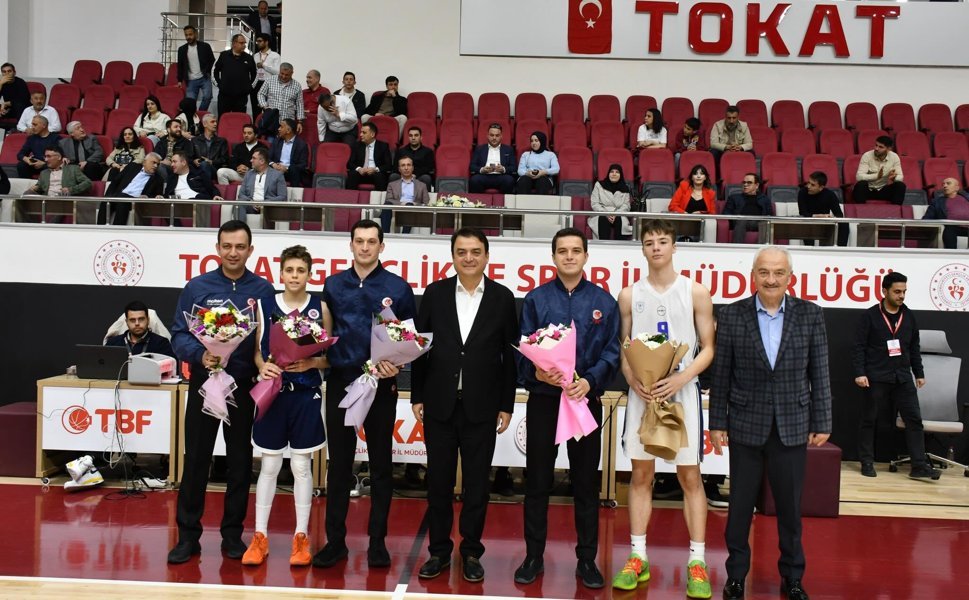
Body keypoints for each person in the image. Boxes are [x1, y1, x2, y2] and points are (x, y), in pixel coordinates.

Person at [710, 246, 832, 600]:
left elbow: (820, 372)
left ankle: (793, 578)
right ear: (753, 275)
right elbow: (722, 374)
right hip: (746, 424)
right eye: (764, 272)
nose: (771, 279)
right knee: (739, 508)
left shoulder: (811, 315)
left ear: (790, 277)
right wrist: (718, 421)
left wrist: (823, 419)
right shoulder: (732, 315)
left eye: (779, 272)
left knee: (791, 510)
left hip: (792, 425)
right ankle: (735, 577)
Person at [612, 218, 715, 597]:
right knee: (641, 477)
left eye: (662, 241)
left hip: (682, 393)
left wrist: (681, 378)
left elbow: (709, 348)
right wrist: (632, 378)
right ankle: (637, 556)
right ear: (642, 249)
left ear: (674, 248)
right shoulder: (628, 295)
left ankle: (697, 561)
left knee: (690, 478)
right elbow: (624, 347)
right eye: (649, 242)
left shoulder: (695, 292)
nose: (656, 247)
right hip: (643, 395)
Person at [411, 227, 519, 583]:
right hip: (439, 403)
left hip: (483, 407)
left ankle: (471, 552)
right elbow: (419, 347)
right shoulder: (435, 293)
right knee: (438, 484)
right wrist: (417, 395)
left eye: (475, 251)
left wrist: (506, 404)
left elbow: (510, 356)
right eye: (462, 251)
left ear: (487, 256)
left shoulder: (503, 298)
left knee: (476, 485)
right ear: (453, 256)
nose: (469, 257)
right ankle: (439, 552)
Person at [515, 227, 620, 589]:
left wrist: (590, 381)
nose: (570, 256)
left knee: (586, 484)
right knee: (538, 482)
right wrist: (538, 374)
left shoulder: (604, 302)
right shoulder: (536, 299)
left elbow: (612, 351)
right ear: (554, 256)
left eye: (576, 250)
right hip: (544, 401)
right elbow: (524, 346)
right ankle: (533, 556)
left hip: (583, 401)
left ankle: (587, 560)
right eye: (563, 251)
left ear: (586, 256)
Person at [167, 220, 275, 564]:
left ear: (250, 250)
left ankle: (232, 535)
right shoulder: (197, 287)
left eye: (239, 247)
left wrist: (265, 362)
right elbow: (178, 334)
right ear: (217, 248)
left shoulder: (262, 290)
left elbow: (269, 340)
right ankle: (188, 536)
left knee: (240, 462)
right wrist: (201, 354)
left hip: (243, 386)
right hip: (204, 384)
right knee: (196, 459)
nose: (233, 252)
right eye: (226, 246)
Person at [313, 219, 417, 570]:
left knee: (381, 464)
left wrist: (397, 365)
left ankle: (377, 543)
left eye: (372, 242)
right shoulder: (332, 285)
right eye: (359, 241)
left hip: (381, 383)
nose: (365, 247)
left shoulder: (398, 288)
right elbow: (325, 335)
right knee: (339, 465)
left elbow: (409, 340)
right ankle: (335, 542)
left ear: (382, 246)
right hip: (342, 382)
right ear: (351, 244)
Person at [242, 245, 328, 567]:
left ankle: (301, 537)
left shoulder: (320, 306)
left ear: (309, 274)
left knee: (302, 467)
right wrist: (262, 365)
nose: (294, 276)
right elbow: (255, 349)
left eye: (300, 271)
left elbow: (327, 354)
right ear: (281, 273)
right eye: (289, 270)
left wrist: (312, 364)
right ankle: (260, 536)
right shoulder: (266, 304)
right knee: (269, 466)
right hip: (273, 392)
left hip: (305, 395)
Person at [852, 272, 940, 481]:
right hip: (875, 376)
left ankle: (918, 465)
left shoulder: (908, 316)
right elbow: (858, 348)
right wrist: (860, 373)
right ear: (884, 291)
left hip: (902, 376)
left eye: (904, 292)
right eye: (897, 291)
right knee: (869, 420)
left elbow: (914, 347)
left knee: (914, 420)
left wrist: (919, 373)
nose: (901, 296)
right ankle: (866, 461)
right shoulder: (870, 316)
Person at [100, 152, 164, 225]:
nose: (155, 166)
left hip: (135, 201)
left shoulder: (158, 179)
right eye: (153, 163)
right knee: (105, 201)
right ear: (144, 162)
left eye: (158, 164)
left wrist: (147, 197)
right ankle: (99, 229)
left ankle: (118, 231)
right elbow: (115, 181)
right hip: (119, 195)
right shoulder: (132, 167)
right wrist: (108, 195)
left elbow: (158, 195)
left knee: (123, 199)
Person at [104, 300, 175, 356]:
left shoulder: (161, 344)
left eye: (141, 319)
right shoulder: (113, 343)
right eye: (132, 320)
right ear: (126, 322)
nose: (137, 323)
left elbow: (170, 371)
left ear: (148, 320)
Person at [797, 171, 848, 247]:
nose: (808, 186)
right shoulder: (802, 193)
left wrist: (831, 218)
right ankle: (809, 252)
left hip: (825, 223)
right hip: (809, 221)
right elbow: (803, 213)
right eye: (808, 183)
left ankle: (840, 251)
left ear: (821, 187)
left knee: (844, 224)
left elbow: (839, 214)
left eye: (812, 185)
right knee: (806, 223)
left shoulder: (830, 195)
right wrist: (817, 216)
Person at [380, 156, 429, 234]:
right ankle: (385, 234)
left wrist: (415, 204)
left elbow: (426, 202)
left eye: (408, 165)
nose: (406, 168)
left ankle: (404, 235)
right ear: (399, 169)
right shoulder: (392, 184)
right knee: (387, 205)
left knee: (409, 205)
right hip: (396, 208)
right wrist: (401, 204)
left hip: (412, 209)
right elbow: (389, 199)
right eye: (403, 165)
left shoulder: (422, 185)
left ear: (412, 168)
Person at [236, 146, 287, 219]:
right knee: (239, 203)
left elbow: (282, 197)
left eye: (253, 158)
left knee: (269, 210)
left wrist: (264, 203)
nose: (251, 160)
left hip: (268, 207)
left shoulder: (277, 175)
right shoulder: (249, 174)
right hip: (251, 205)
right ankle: (240, 229)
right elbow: (241, 194)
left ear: (262, 161)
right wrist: (251, 202)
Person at [853, 135, 905, 205]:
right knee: (861, 185)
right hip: (868, 189)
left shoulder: (894, 157)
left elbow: (901, 177)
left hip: (883, 190)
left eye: (881, 147)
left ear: (888, 149)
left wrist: (894, 177)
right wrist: (876, 176)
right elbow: (859, 177)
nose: (876, 148)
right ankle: (860, 211)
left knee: (900, 185)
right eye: (876, 145)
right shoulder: (867, 156)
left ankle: (896, 212)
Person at [214, 34, 257, 117]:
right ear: (234, 43)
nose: (244, 45)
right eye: (241, 43)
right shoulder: (223, 55)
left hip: (241, 97)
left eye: (245, 43)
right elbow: (214, 71)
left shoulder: (249, 58)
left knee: (239, 120)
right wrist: (220, 85)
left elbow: (255, 75)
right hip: (224, 96)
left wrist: (249, 88)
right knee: (223, 119)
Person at [257, 62, 303, 138]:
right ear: (279, 71)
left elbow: (300, 104)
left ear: (292, 73)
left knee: (286, 145)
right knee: (271, 144)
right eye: (282, 73)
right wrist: (265, 106)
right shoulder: (270, 80)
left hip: (288, 122)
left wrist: (300, 122)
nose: (284, 76)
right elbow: (260, 94)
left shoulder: (297, 85)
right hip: (272, 120)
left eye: (287, 75)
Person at [722, 173, 771, 243]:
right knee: (742, 220)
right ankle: (737, 248)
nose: (745, 185)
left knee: (766, 224)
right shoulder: (734, 198)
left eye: (749, 183)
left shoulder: (764, 199)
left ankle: (761, 250)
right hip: (740, 222)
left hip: (758, 222)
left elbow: (769, 214)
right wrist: (737, 217)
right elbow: (726, 213)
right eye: (744, 182)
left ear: (756, 185)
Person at [176, 25, 215, 111]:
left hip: (204, 77)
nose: (188, 37)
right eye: (186, 35)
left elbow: (212, 60)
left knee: (208, 97)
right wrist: (179, 80)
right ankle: (194, 116)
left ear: (195, 34)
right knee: (190, 102)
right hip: (190, 80)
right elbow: (180, 65)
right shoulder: (182, 49)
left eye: (190, 34)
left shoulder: (205, 46)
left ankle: (200, 114)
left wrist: (207, 71)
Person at [922, 177, 969, 249]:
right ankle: (952, 255)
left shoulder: (966, 198)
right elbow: (927, 218)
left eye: (948, 183)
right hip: (953, 228)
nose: (945, 186)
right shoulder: (937, 202)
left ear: (956, 188)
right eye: (943, 184)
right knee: (949, 228)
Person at [469, 123, 516, 193]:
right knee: (474, 180)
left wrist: (503, 169)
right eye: (492, 135)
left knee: (509, 180)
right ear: (487, 136)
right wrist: (482, 169)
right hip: (484, 176)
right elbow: (472, 166)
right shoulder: (479, 149)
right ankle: (480, 203)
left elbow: (514, 167)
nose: (494, 138)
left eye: (497, 135)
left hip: (501, 176)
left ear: (501, 136)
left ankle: (504, 203)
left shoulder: (509, 149)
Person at [346, 122, 392, 191]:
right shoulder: (356, 145)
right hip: (361, 173)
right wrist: (359, 169)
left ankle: (379, 201)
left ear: (372, 134)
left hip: (375, 174)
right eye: (361, 132)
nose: (360, 135)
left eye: (364, 133)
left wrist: (375, 169)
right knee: (353, 174)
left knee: (380, 176)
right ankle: (350, 199)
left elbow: (388, 165)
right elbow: (349, 164)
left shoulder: (383, 146)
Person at [591, 163, 631, 240]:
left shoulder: (625, 188)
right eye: (612, 172)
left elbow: (626, 205)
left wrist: (616, 214)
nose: (614, 174)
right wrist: (605, 213)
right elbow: (594, 203)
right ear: (608, 173)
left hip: (619, 213)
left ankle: (620, 247)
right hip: (601, 213)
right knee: (603, 219)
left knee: (619, 219)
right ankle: (602, 247)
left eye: (617, 172)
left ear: (621, 175)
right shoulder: (599, 185)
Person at [269, 118, 309, 187]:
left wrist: (287, 168)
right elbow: (268, 157)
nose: (278, 129)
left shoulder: (301, 144)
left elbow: (303, 164)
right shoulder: (277, 141)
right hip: (276, 169)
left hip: (290, 172)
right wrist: (274, 165)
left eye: (281, 127)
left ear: (288, 130)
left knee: (294, 169)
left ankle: (294, 196)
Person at [250, 33, 281, 119]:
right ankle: (256, 129)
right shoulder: (255, 56)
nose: (257, 43)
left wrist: (264, 66)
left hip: (269, 84)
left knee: (269, 110)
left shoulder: (275, 56)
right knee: (255, 110)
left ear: (266, 42)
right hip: (256, 84)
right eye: (257, 41)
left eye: (260, 41)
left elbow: (278, 72)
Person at [190, 113, 229, 181]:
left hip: (214, 169)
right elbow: (189, 156)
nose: (215, 124)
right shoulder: (195, 140)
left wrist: (212, 162)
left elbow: (225, 159)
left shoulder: (221, 141)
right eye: (212, 122)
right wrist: (194, 161)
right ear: (205, 124)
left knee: (205, 164)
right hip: (198, 168)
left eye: (216, 122)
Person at [0, 62, 31, 130]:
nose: (7, 74)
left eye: (9, 71)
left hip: (22, 109)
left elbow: (24, 100)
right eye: (4, 72)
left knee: (19, 105)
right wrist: (0, 84)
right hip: (9, 110)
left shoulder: (20, 82)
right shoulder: (2, 83)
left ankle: (21, 129)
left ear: (14, 72)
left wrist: (5, 103)